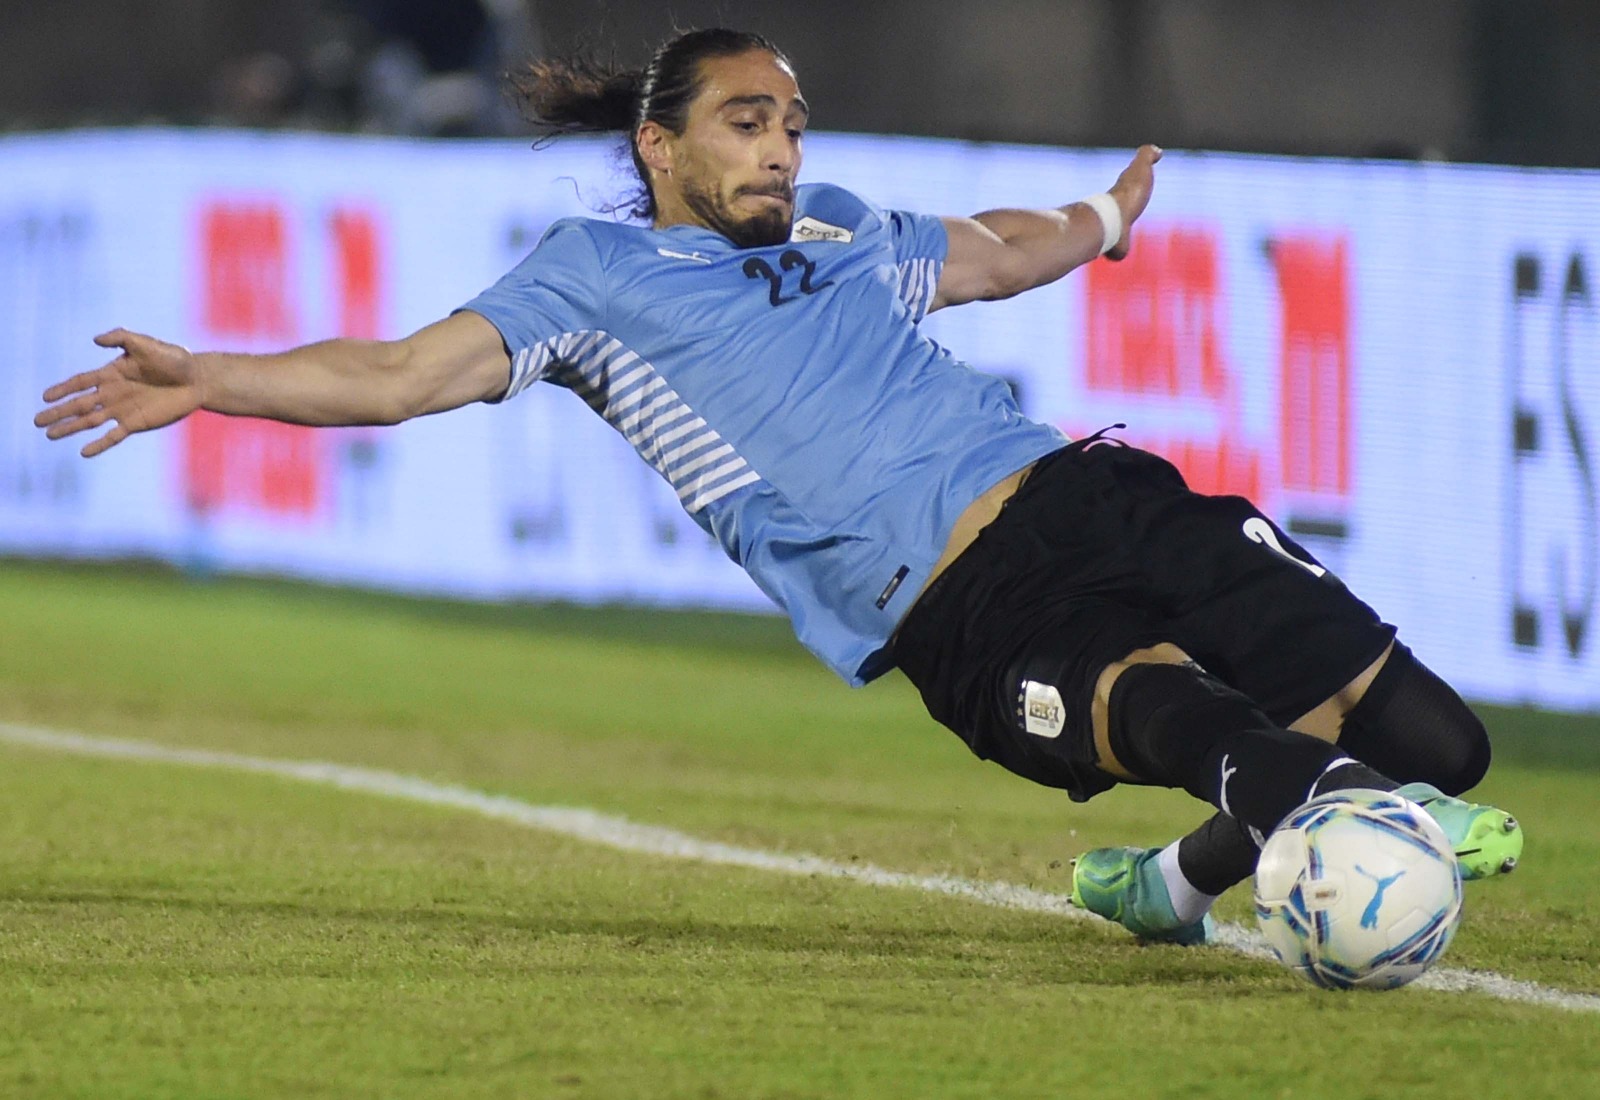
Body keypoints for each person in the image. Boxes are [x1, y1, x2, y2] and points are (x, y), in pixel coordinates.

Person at [34, 28, 1520, 943]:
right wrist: (216, 377)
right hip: (953, 604)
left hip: (1090, 491)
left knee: (1438, 749)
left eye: (794, 123)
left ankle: (1184, 885)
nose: (782, 148)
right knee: (1229, 740)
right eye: (749, 121)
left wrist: (1101, 220)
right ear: (658, 141)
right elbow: (404, 374)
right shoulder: (596, 279)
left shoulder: (840, 231)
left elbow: (996, 254)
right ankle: (1284, 835)